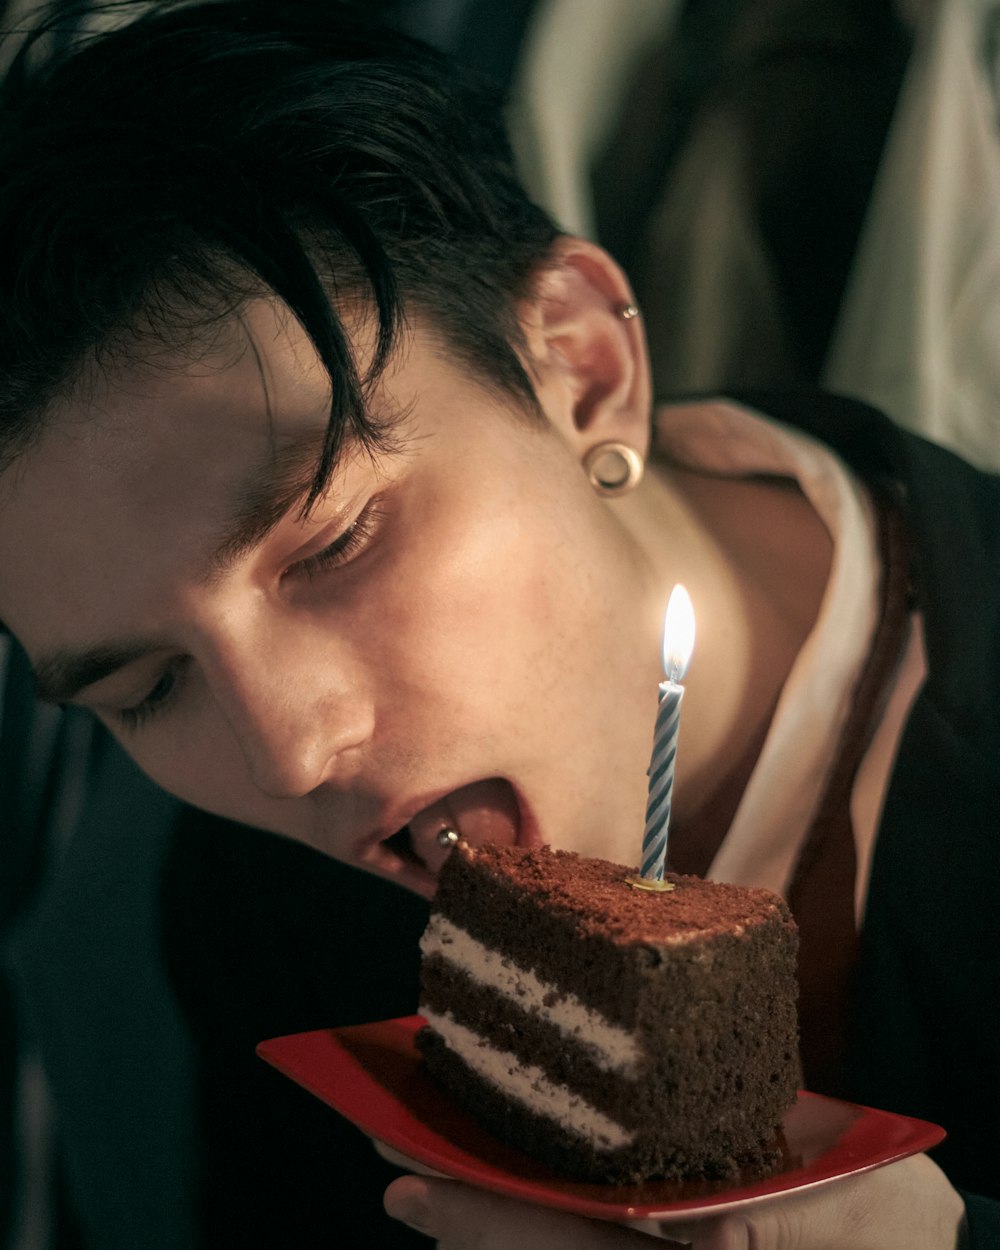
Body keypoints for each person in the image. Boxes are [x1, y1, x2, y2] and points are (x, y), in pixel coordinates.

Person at [0, 2, 995, 1247]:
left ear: (579, 367)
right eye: (147, 686)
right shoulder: (250, 899)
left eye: (335, 543)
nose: (286, 755)